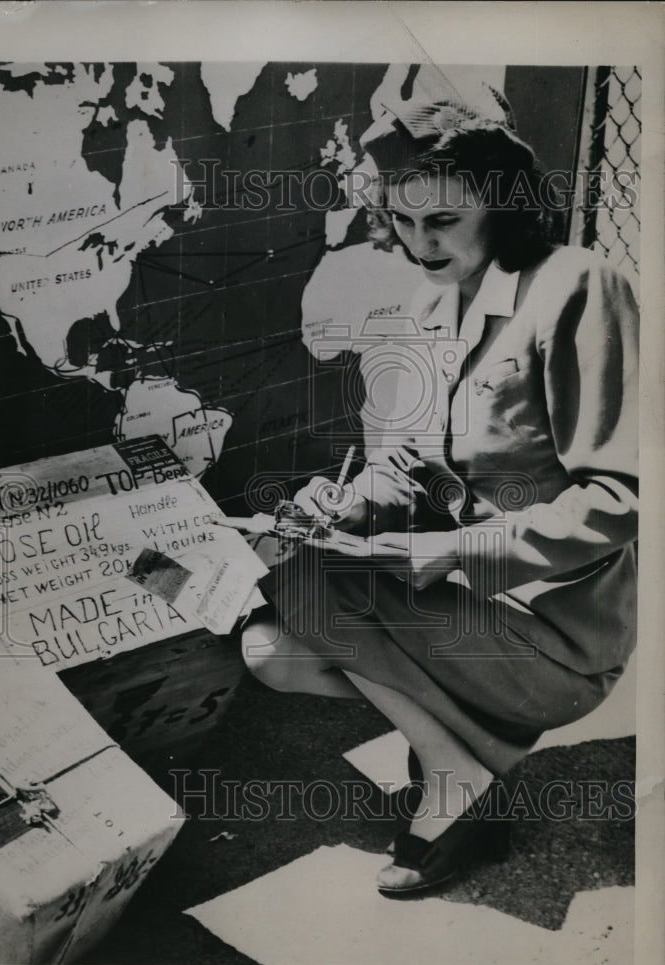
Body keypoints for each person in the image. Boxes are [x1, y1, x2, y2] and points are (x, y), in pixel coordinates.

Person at [241, 93, 639, 896]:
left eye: (445, 222)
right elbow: (406, 469)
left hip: (555, 637)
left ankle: (457, 780)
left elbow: (621, 497)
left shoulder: (579, 286)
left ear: (502, 206)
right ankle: (460, 762)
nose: (421, 245)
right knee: (268, 649)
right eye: (404, 221)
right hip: (462, 611)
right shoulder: (427, 310)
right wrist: (344, 508)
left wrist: (451, 548)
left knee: (306, 583)